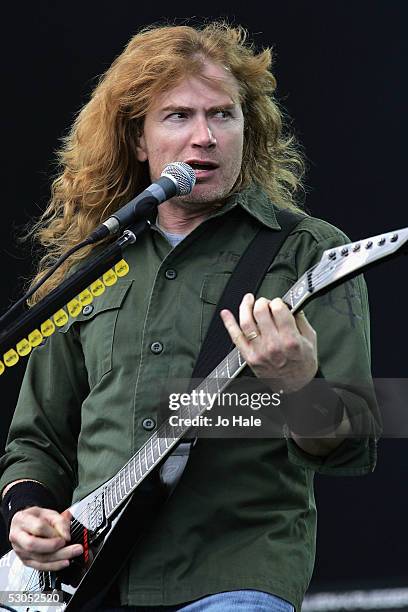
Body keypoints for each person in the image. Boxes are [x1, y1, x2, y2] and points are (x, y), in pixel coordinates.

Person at [0, 22, 379, 611]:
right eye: (178, 116)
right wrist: (29, 515)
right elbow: (37, 440)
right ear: (137, 140)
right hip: (88, 583)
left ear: (246, 130)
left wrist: (299, 386)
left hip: (233, 573)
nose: (204, 137)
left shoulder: (308, 252)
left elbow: (354, 435)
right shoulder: (90, 267)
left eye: (223, 115)